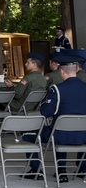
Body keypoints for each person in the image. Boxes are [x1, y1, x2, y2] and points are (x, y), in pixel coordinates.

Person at [27, 52, 86, 180]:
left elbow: (46, 112)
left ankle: (38, 171)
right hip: (83, 135)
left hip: (60, 134)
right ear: (76, 70)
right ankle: (83, 169)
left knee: (28, 135)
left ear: (62, 71)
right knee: (77, 128)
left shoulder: (57, 89)